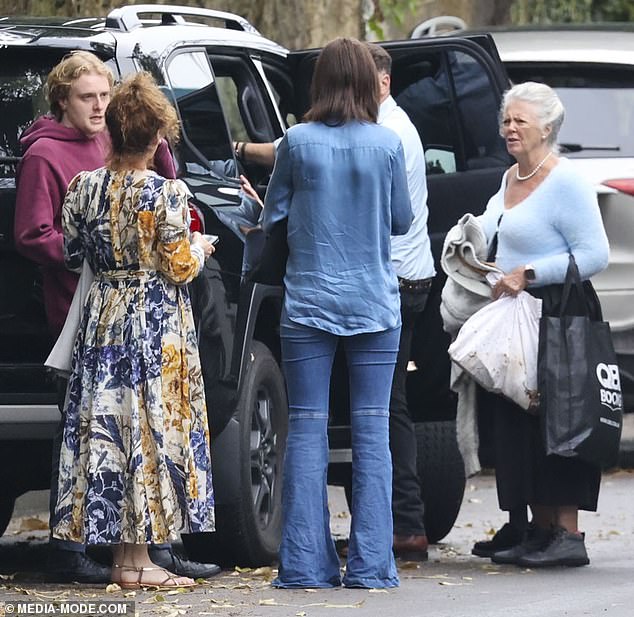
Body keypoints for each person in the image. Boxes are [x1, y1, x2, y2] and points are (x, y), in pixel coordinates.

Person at [14, 51, 218, 583]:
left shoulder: (83, 187)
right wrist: (200, 247)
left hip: (101, 319)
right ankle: (140, 559)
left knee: (107, 434)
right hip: (152, 325)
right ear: (154, 136)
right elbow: (178, 265)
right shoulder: (165, 192)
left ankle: (129, 561)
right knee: (149, 434)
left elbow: (75, 253)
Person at [263, 37, 412, 589]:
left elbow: (275, 211)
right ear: (369, 82)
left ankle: (305, 564)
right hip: (375, 302)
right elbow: (400, 220)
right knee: (373, 431)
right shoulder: (388, 143)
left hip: (307, 302)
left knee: (306, 427)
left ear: (320, 81)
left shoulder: (295, 143)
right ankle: (373, 567)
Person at [475, 82, 609, 567]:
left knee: (561, 420)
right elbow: (489, 226)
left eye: (520, 121)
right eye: (506, 120)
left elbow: (595, 255)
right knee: (518, 421)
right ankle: (538, 528)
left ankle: (568, 533)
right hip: (517, 314)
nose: (509, 128)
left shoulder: (566, 181)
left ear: (547, 128)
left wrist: (529, 273)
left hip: (561, 311)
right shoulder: (511, 176)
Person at [364, 43, 436, 563]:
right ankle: (403, 522)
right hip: (409, 278)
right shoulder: (395, 125)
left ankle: (405, 524)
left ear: (383, 82)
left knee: (386, 405)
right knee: (389, 403)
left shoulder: (385, 134)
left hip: (394, 282)